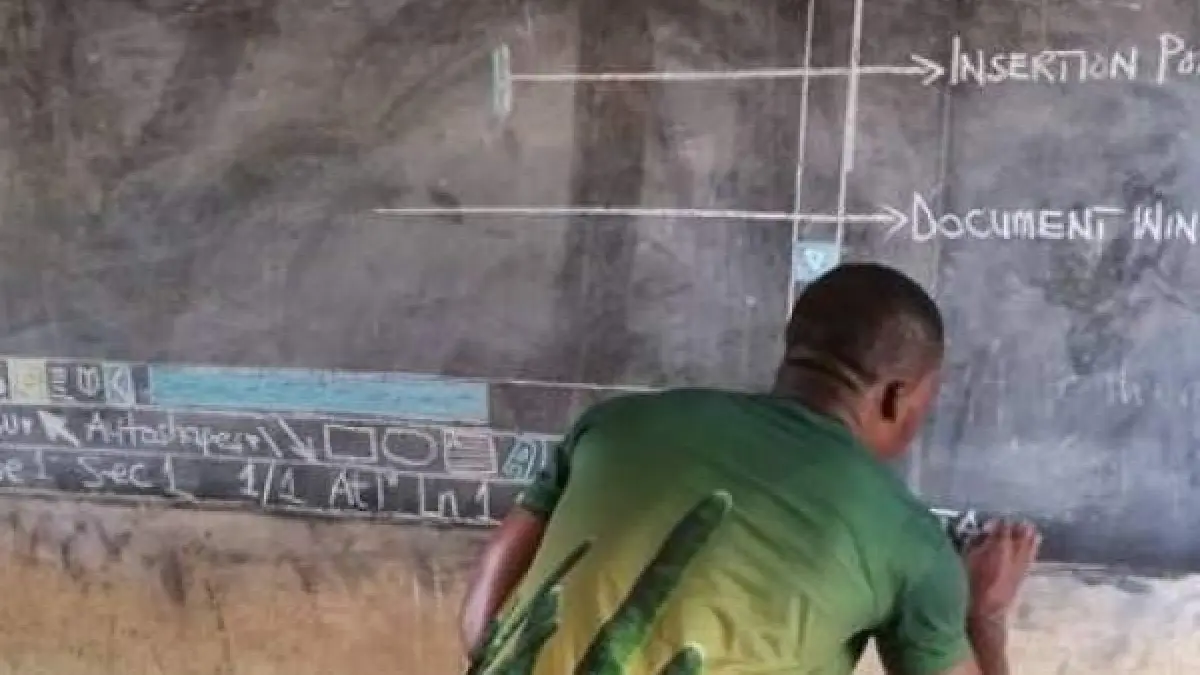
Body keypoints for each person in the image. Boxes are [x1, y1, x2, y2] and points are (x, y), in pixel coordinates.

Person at [460, 262, 1040, 675]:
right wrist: (984, 616)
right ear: (896, 397)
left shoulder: (615, 422)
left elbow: (483, 612)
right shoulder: (909, 540)